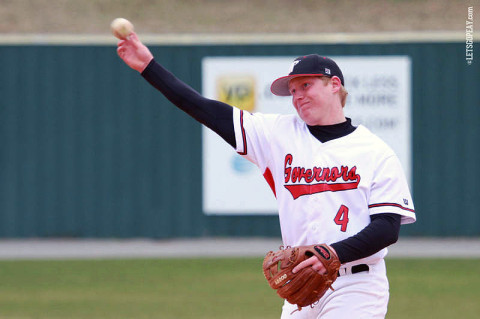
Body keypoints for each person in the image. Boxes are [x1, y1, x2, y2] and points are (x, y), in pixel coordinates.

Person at [116, 33, 416, 319]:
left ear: (334, 84)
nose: (297, 96)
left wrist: (332, 253)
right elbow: (205, 109)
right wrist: (148, 67)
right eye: (293, 91)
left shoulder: (375, 151)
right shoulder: (277, 135)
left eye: (306, 85)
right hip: (302, 284)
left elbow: (387, 229)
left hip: (356, 285)